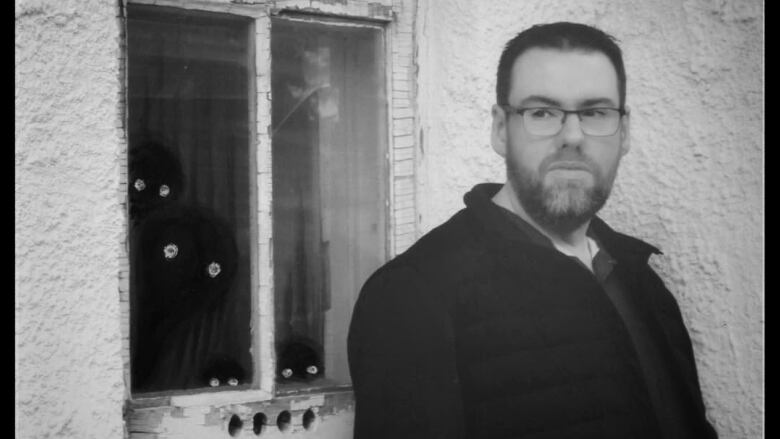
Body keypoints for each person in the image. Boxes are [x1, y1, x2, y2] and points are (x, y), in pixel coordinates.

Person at [347, 22, 718, 439]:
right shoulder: (412, 295)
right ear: (501, 129)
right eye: (542, 112)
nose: (572, 136)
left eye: (596, 112)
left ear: (625, 131)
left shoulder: (640, 280)